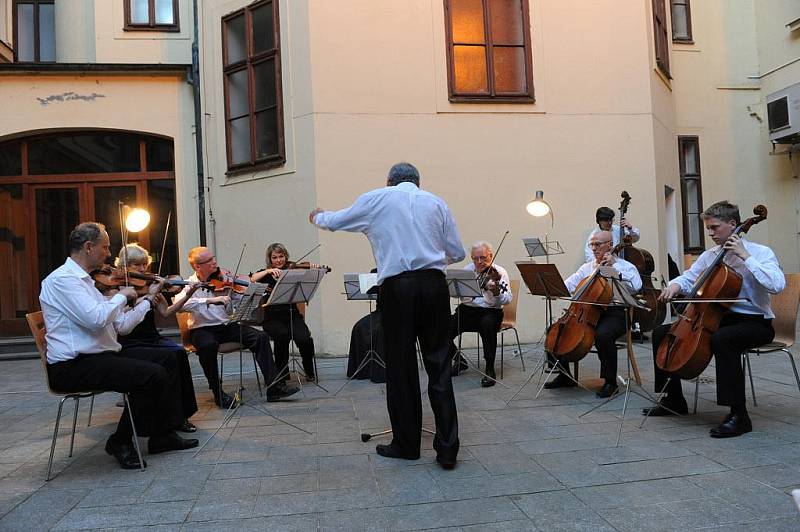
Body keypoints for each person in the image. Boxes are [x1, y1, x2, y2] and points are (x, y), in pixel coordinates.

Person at [310, 162, 465, 470]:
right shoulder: (437, 202)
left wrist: (318, 216)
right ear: (418, 182)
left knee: (401, 368)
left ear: (390, 181)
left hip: (398, 289)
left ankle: (407, 445)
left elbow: (338, 220)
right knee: (439, 365)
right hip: (435, 286)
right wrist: (431, 258)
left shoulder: (377, 198)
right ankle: (448, 449)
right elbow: (457, 252)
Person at [39, 222, 198, 469]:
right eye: (105, 247)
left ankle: (161, 435)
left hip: (99, 357)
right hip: (72, 365)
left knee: (169, 358)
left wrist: (147, 299)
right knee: (152, 376)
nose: (109, 254)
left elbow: (122, 326)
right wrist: (122, 296)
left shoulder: (87, 283)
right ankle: (120, 440)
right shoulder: (62, 281)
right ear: (88, 247)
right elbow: (96, 319)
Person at [643, 201, 785, 438]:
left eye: (714, 228)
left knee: (723, 339)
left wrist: (745, 256)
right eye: (708, 228)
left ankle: (738, 415)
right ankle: (673, 399)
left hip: (755, 321)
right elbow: (690, 277)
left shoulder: (761, 253)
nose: (710, 233)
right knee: (662, 333)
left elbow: (777, 285)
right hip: (718, 317)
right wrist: (676, 285)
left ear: (732, 224)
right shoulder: (711, 256)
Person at [174, 247, 298, 407]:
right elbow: (179, 304)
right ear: (198, 266)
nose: (215, 262)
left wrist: (246, 295)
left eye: (213, 258)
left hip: (227, 326)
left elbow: (237, 304)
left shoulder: (223, 281)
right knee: (207, 346)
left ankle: (274, 387)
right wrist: (208, 301)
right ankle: (218, 393)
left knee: (260, 337)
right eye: (210, 260)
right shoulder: (190, 284)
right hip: (202, 329)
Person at [545, 230, 642, 398]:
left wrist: (613, 268)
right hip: (589, 311)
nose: (594, 249)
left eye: (598, 244)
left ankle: (610, 382)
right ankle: (564, 375)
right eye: (592, 245)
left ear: (610, 246)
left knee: (603, 335)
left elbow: (636, 286)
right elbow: (569, 284)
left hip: (616, 312)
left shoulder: (625, 266)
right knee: (555, 329)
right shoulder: (587, 267)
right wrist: (553, 289)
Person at [114, 244, 200, 433]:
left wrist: (188, 294)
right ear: (124, 266)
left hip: (151, 338)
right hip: (129, 342)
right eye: (137, 265)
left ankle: (182, 414)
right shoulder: (117, 289)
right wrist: (141, 299)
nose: (143, 269)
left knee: (179, 354)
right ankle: (169, 417)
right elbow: (120, 322)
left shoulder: (150, 285)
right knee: (172, 356)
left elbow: (167, 312)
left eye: (144, 264)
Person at [250, 243, 318, 381]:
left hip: (292, 315)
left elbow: (308, 277)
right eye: (275, 257)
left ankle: (309, 369)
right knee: (281, 335)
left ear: (285, 256)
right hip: (271, 318)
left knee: (304, 338)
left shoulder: (292, 272)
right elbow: (251, 279)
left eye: (281, 256)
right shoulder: (266, 274)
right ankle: (281, 372)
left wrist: (314, 269)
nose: (279, 260)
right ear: (270, 260)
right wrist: (268, 271)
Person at [448, 241, 512, 387]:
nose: (479, 262)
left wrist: (496, 292)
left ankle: (490, 368)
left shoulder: (499, 272)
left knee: (487, 326)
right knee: (443, 330)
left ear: (491, 255)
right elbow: (459, 295)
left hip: (491, 312)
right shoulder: (468, 270)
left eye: (483, 258)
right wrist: (456, 291)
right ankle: (459, 361)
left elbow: (507, 299)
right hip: (468, 310)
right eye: (475, 258)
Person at [347, 268, 386, 383]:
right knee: (359, 326)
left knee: (379, 329)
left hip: (394, 312)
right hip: (380, 311)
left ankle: (381, 368)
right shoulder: (376, 272)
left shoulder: (397, 272)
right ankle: (365, 369)